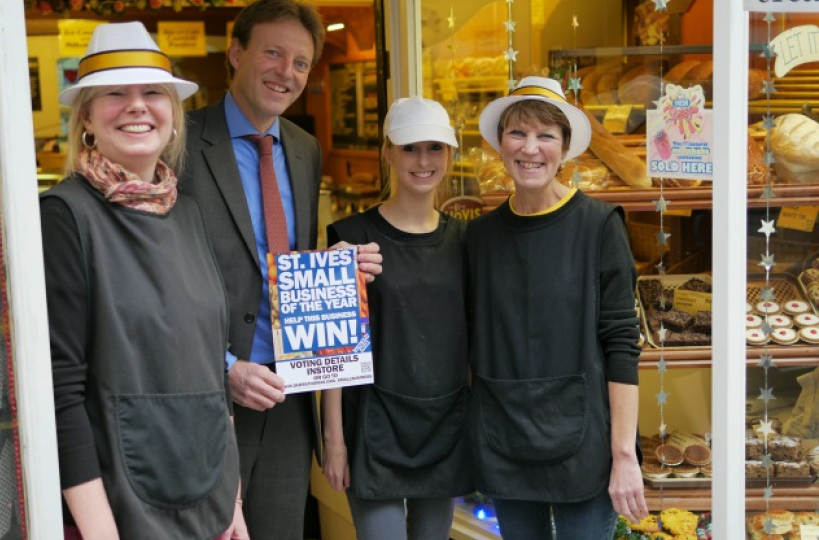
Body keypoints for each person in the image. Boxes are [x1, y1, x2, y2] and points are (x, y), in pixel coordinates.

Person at [178, 1, 381, 538]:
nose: (285, 72)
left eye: (300, 63)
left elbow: (289, 264)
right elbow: (162, 281)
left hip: (291, 393)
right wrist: (224, 366)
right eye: (273, 53)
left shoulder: (304, 147)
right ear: (237, 52)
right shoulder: (179, 144)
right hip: (209, 392)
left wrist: (339, 270)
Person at [42, 22, 247, 540]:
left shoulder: (191, 214)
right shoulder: (63, 217)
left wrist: (234, 505)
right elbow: (60, 395)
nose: (137, 105)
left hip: (211, 507)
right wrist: (100, 532)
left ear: (173, 116)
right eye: (115, 93)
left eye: (152, 92)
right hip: (115, 514)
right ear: (86, 116)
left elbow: (211, 375)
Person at [467, 76, 648, 539]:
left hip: (585, 447)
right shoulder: (479, 237)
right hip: (505, 440)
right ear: (500, 145)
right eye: (518, 133)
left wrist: (624, 455)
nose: (531, 148)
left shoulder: (599, 226)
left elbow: (622, 343)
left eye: (546, 135)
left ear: (565, 149)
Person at [322, 97, 471, 540]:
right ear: (386, 151)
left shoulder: (466, 241)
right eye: (409, 148)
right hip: (372, 426)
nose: (423, 161)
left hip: (443, 425)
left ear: (451, 154)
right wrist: (335, 439)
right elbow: (333, 347)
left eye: (434, 148)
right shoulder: (351, 239)